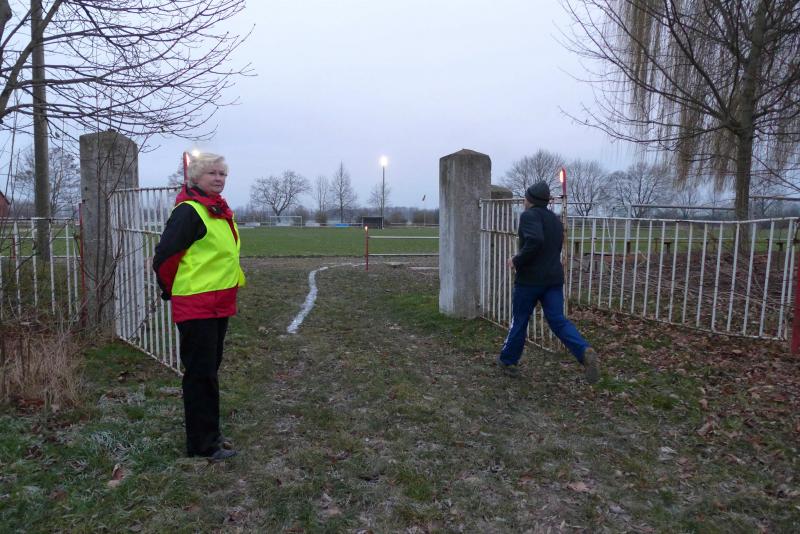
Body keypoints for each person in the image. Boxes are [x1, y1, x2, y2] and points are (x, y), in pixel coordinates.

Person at [153, 152, 246, 461]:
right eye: (212, 173)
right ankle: (202, 446)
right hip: (197, 305)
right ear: (196, 177)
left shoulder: (218, 210)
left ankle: (210, 435)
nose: (219, 178)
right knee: (200, 375)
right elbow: (164, 258)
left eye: (222, 174)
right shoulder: (189, 212)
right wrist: (172, 291)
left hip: (219, 304)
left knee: (209, 372)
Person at [497, 181, 600, 384]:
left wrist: (516, 260)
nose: (524, 200)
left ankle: (508, 361)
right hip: (553, 279)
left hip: (529, 281)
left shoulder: (529, 216)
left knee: (520, 320)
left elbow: (535, 241)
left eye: (526, 197)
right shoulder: (555, 220)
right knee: (557, 320)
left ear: (530, 199)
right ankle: (583, 350)